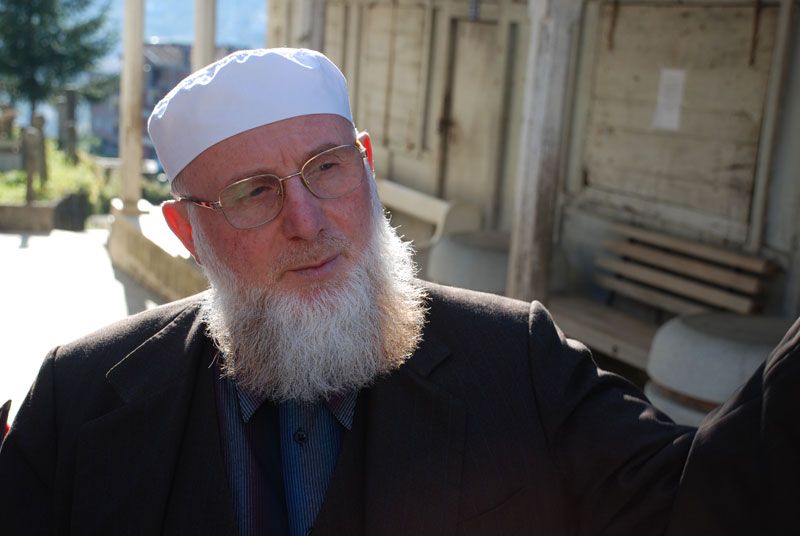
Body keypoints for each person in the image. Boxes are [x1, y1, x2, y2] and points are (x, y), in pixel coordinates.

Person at [0, 48, 796, 535]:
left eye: (327, 168)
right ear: (185, 229)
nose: (308, 222)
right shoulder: (84, 395)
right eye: (253, 192)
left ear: (367, 164)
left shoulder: (515, 360)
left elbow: (697, 504)